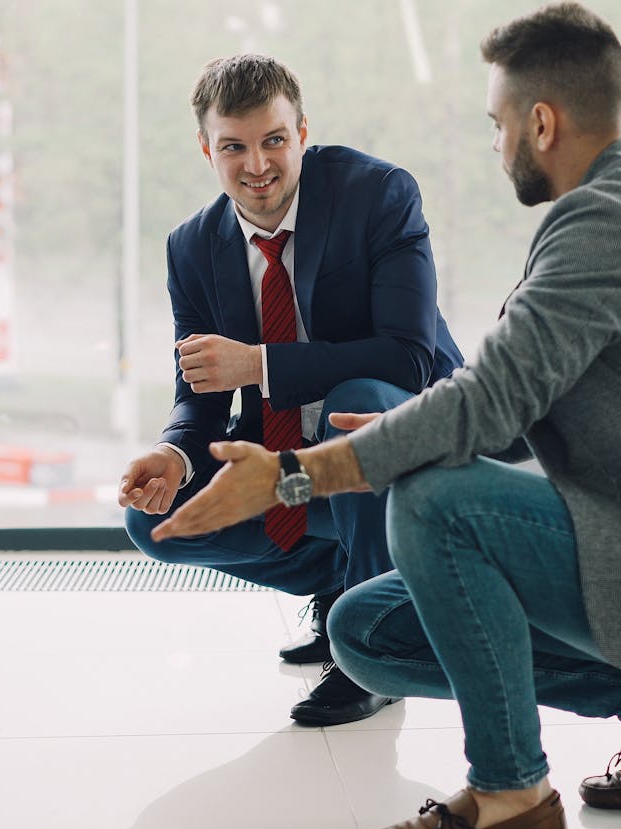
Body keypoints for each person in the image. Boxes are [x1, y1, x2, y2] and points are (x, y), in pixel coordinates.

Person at [152, 2, 621, 829]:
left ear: (542, 122)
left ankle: (510, 798)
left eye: (499, 124)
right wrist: (401, 431)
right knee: (366, 634)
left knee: (433, 500)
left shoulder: (606, 225)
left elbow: (488, 400)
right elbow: (503, 398)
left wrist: (295, 478)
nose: (496, 145)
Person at [120, 54, 464, 726]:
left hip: (405, 445)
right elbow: (203, 392)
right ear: (206, 149)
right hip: (296, 471)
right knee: (151, 518)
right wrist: (176, 454)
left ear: (303, 131)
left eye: (274, 140)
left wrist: (261, 366)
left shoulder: (379, 195)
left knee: (353, 405)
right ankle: (344, 585)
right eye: (234, 147)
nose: (258, 166)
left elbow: (409, 361)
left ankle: (376, 647)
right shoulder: (191, 247)